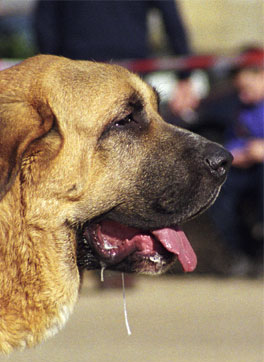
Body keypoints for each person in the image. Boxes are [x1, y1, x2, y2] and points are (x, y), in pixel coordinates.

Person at [34, 0, 199, 117]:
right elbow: (171, 18)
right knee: (132, 131)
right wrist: (184, 75)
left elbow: (44, 24)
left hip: (80, 68)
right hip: (131, 67)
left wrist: (54, 69)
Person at [209, 64, 264, 276]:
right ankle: (241, 252)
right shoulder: (241, 109)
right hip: (247, 169)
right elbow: (234, 141)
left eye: (247, 88)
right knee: (219, 190)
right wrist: (238, 153)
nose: (242, 94)